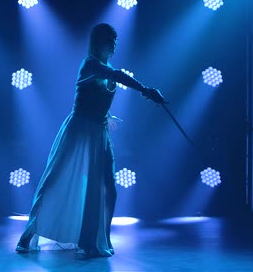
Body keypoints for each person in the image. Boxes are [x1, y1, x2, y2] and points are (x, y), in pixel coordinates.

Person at [15, 23, 166, 259]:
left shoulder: (106, 67)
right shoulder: (89, 63)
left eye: (115, 40)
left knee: (109, 187)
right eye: (110, 39)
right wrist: (147, 90)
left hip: (99, 132)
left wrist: (106, 114)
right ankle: (28, 235)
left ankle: (99, 238)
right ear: (98, 41)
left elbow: (103, 89)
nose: (114, 43)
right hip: (79, 130)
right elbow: (113, 77)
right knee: (55, 179)